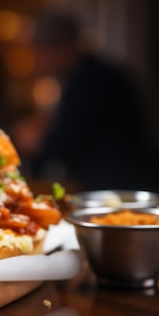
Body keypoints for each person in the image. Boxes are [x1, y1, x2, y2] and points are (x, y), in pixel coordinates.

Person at [28, 11, 159, 192]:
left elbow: (64, 142)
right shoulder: (98, 73)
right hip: (125, 180)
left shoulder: (86, 81)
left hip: (118, 186)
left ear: (58, 47)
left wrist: (35, 148)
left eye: (39, 52)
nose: (37, 61)